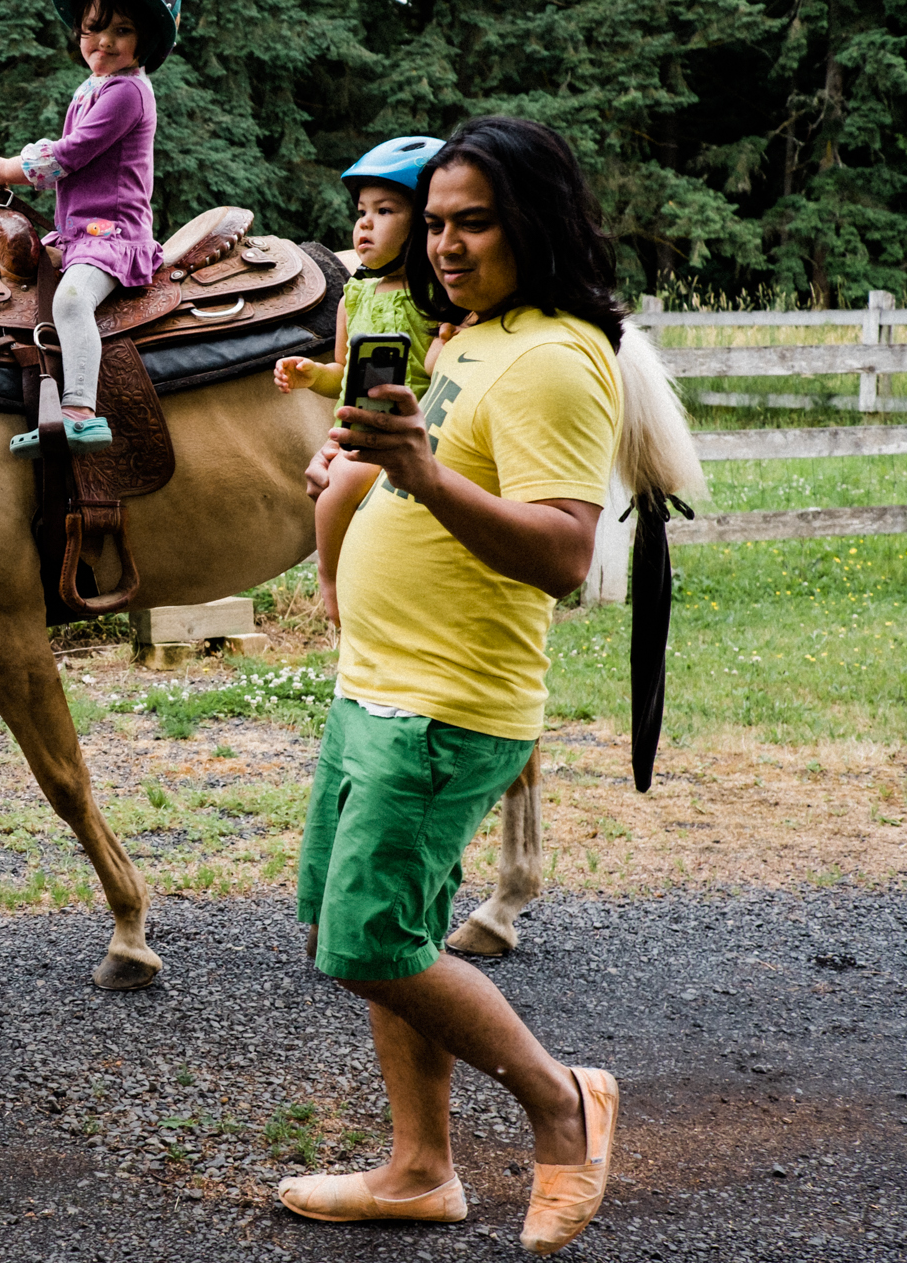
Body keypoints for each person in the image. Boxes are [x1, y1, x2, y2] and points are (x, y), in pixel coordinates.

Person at [277, 115, 625, 1256]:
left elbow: (563, 551)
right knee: (391, 934)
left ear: (531, 219)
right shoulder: (470, 335)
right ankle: (418, 1168)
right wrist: (365, 464)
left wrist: (416, 473)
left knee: (368, 940)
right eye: (433, 224)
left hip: (445, 701)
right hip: (374, 681)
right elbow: (424, 471)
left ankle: (559, 1102)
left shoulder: (555, 358)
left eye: (471, 222)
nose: (444, 245)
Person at [0, 0, 182, 459]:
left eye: (122, 31)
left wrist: (8, 168)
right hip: (79, 230)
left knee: (69, 301)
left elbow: (71, 154)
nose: (104, 41)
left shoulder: (128, 93)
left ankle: (81, 411)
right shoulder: (94, 86)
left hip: (111, 235)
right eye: (93, 28)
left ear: (146, 41)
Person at [275, 135, 445, 623]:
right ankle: (338, 571)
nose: (365, 223)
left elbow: (441, 363)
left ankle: (328, 582)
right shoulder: (353, 296)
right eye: (362, 210)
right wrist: (311, 376)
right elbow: (343, 374)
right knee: (338, 476)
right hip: (359, 425)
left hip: (409, 430)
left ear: (423, 226)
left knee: (342, 479)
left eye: (386, 211)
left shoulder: (436, 294)